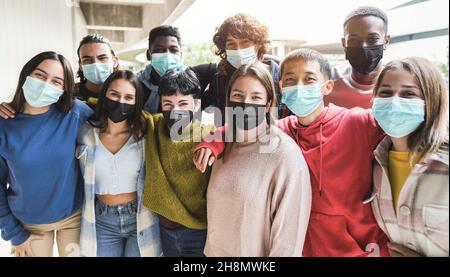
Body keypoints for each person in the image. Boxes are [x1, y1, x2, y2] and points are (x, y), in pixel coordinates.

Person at [194, 49, 390, 257]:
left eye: (309, 79)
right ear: (281, 88)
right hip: (309, 249)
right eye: (290, 80)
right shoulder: (282, 129)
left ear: (327, 86)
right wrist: (212, 142)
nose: (299, 87)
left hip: (360, 251)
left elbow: (403, 131)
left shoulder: (356, 122)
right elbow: (241, 128)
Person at [199, 62, 311, 256]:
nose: (245, 103)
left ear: (268, 104)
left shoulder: (284, 154)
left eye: (256, 97)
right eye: (238, 96)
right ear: (228, 101)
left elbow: (288, 243)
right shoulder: (223, 145)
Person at [0, 51, 92, 257]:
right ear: (26, 75)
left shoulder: (75, 113)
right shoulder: (4, 125)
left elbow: (114, 123)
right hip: (28, 225)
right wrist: (13, 233)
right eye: (40, 76)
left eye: (56, 81)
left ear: (63, 89)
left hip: (73, 219)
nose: (46, 84)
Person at [367, 57, 449, 257]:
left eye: (408, 94)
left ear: (431, 101)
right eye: (385, 93)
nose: (395, 102)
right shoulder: (376, 163)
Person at [77, 70, 162, 257]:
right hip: (101, 219)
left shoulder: (146, 133)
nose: (120, 101)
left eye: (129, 97)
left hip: (140, 216)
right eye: (114, 94)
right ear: (104, 94)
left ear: (136, 102)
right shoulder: (85, 132)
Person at [142, 68, 214, 257]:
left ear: (196, 105)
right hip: (163, 232)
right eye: (168, 103)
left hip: (198, 233)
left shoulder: (209, 135)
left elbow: (230, 131)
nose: (175, 110)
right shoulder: (152, 126)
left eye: (183, 103)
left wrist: (216, 142)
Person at [207, 13, 284, 122]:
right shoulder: (220, 80)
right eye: (231, 44)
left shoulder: (280, 75)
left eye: (245, 42)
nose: (238, 50)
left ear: (258, 44)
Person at [137, 25, 216, 114]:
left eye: (173, 50)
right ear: (149, 54)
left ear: (180, 55)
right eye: (159, 49)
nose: (167, 54)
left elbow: (225, 69)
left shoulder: (193, 78)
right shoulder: (136, 84)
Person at [324, 6, 390, 109]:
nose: (363, 46)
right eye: (354, 40)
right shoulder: (326, 90)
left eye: (372, 39)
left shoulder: (400, 93)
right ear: (343, 43)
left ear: (386, 41)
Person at [75, 34, 120, 109]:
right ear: (80, 66)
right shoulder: (69, 95)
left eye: (102, 58)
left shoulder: (125, 94)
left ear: (115, 62)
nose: (95, 64)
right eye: (87, 60)